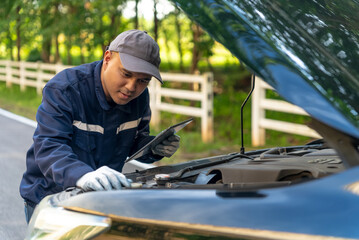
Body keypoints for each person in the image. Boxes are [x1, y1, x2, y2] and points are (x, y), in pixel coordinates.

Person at [19, 29, 180, 223]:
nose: (131, 87)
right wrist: (82, 174)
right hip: (51, 199)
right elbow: (49, 147)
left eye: (143, 80)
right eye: (126, 74)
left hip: (100, 199)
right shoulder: (65, 90)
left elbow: (134, 142)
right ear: (107, 58)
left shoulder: (139, 98)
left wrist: (154, 148)